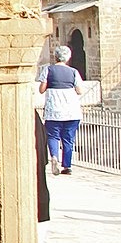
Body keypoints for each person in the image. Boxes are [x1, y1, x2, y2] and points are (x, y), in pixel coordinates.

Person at [37, 46, 83, 175]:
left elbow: (41, 89)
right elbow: (79, 90)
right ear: (68, 58)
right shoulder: (73, 72)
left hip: (54, 110)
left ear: (55, 56)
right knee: (68, 139)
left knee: (53, 136)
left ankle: (54, 157)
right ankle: (67, 166)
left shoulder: (48, 70)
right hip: (71, 111)